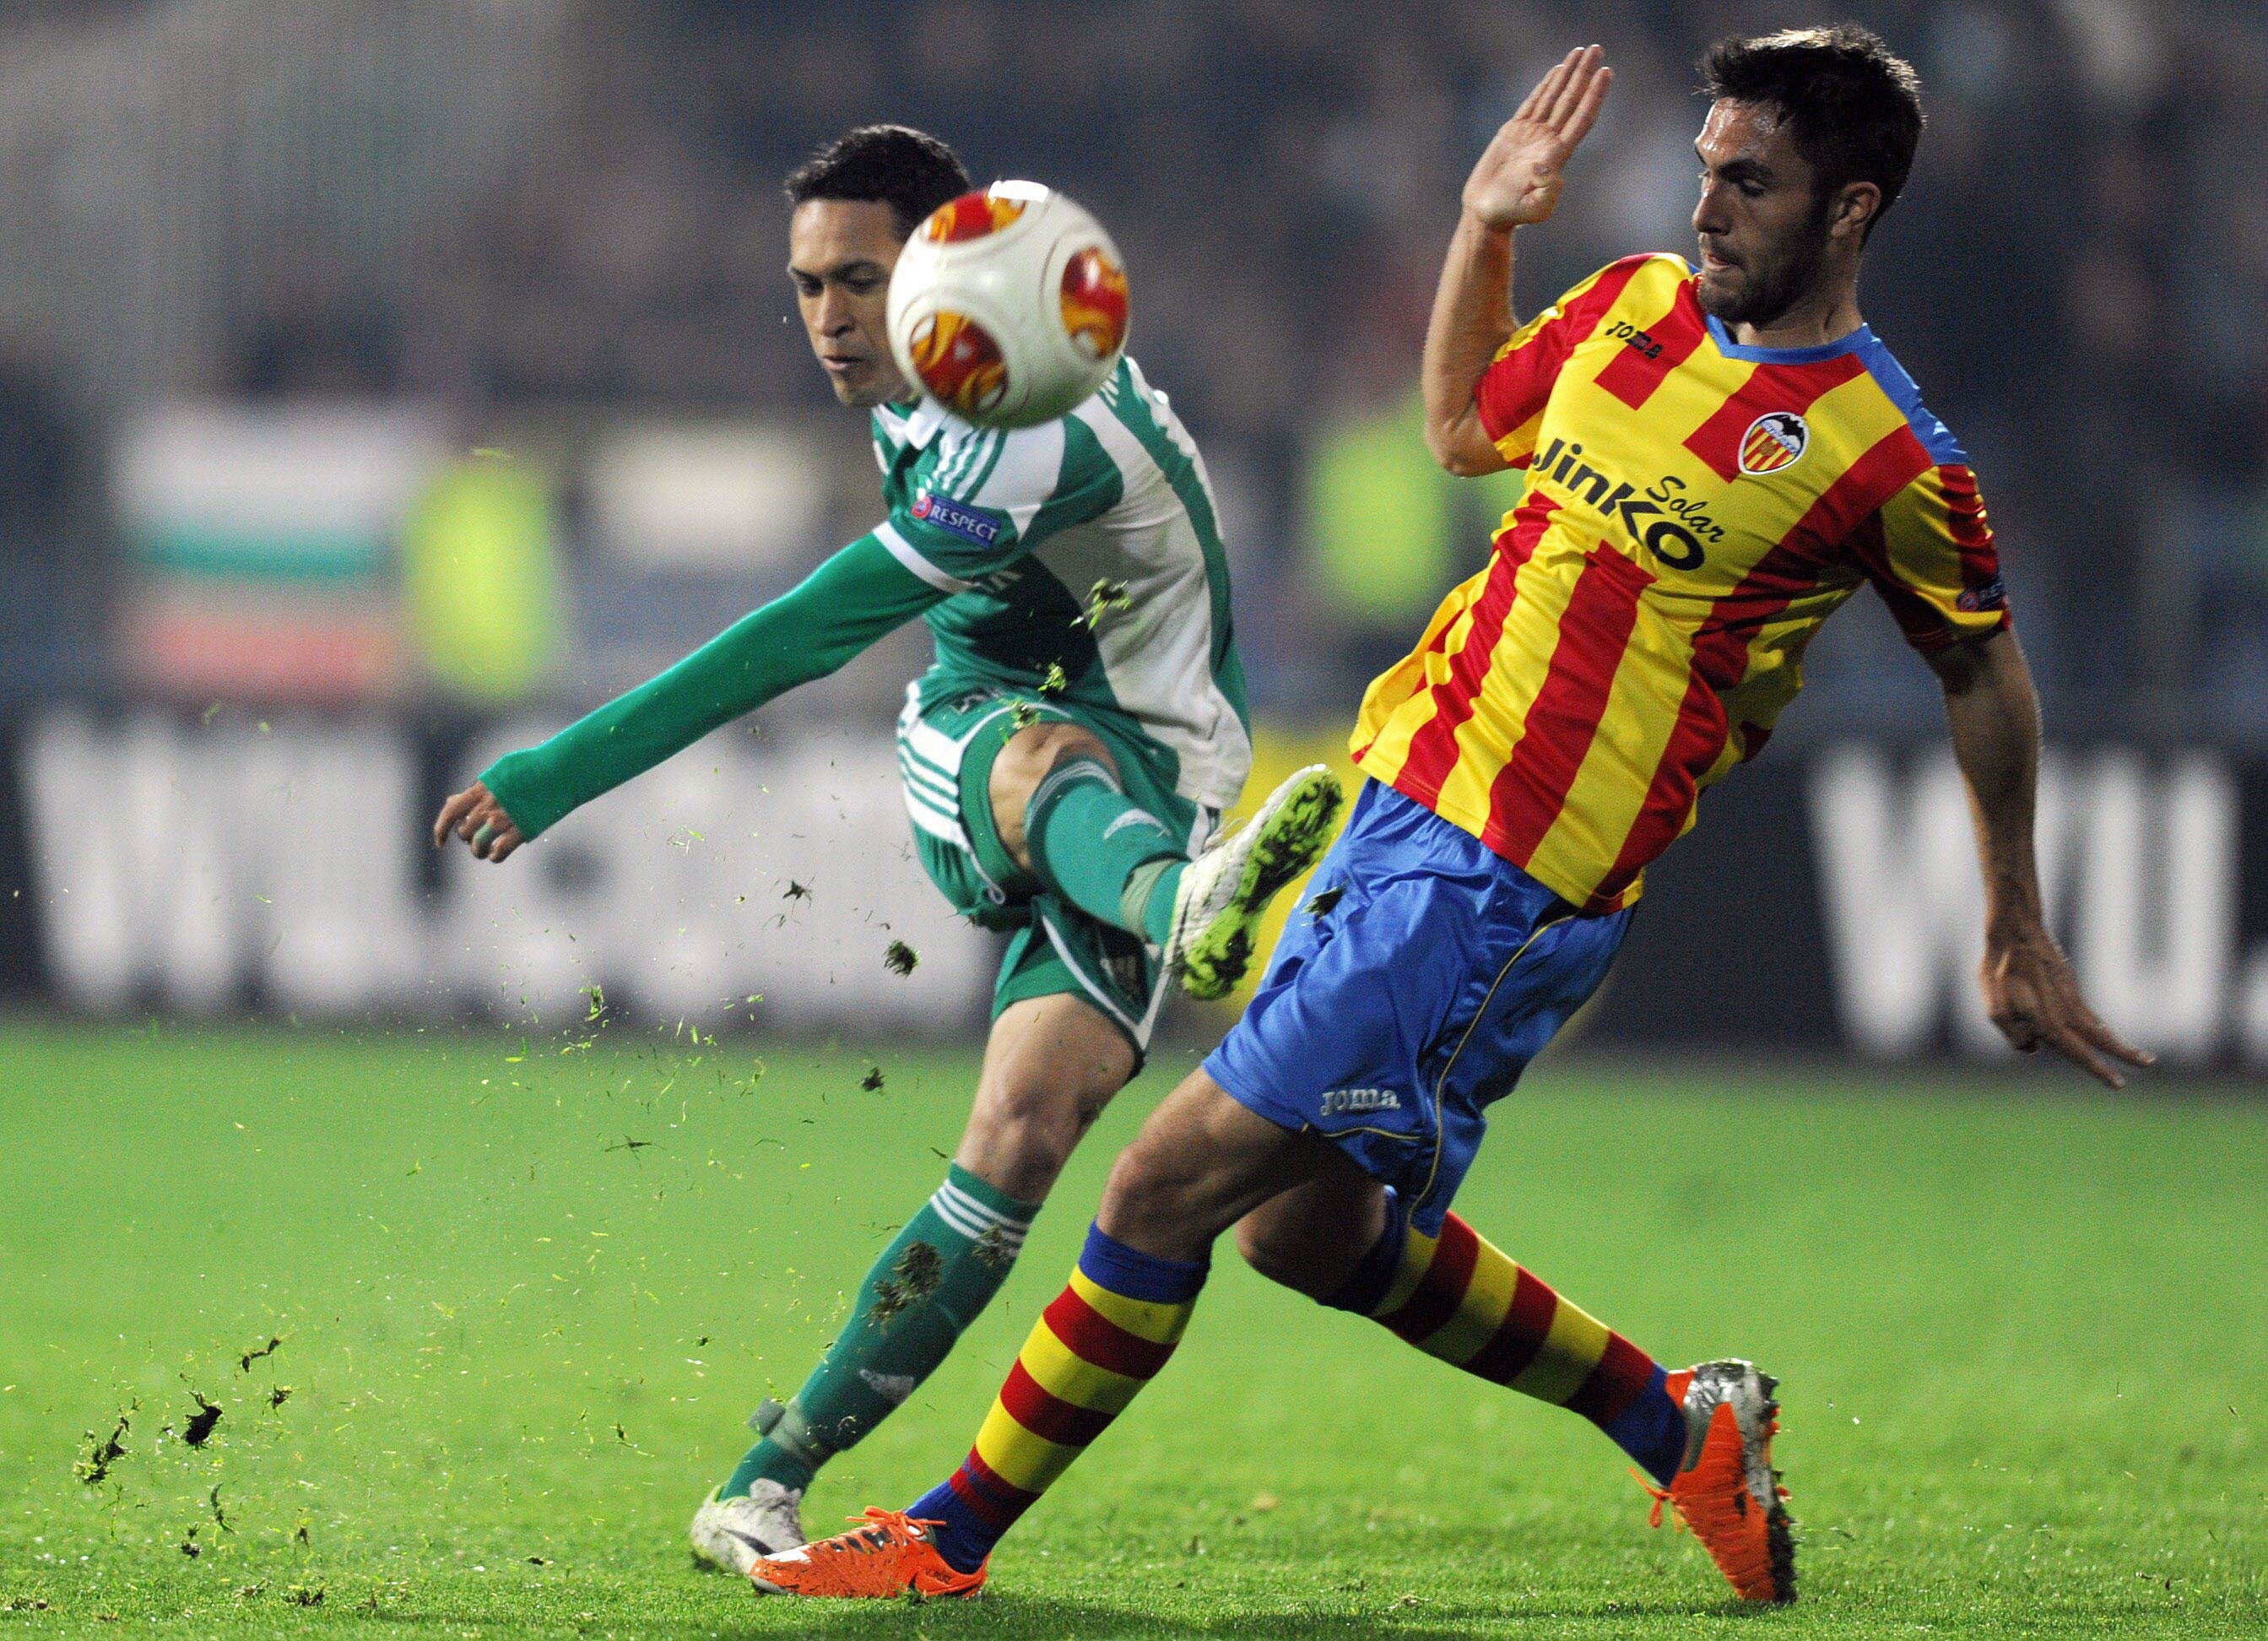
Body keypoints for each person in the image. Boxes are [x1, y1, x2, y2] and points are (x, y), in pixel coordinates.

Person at [747, 30, 2151, 1606]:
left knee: (1158, 1188)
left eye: (1750, 184)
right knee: (1307, 1239)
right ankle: (1678, 1425)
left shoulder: (1886, 452)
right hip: (1393, 811)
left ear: (1851, 210)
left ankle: (944, 1540)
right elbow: (1464, 425)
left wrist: (2015, 920)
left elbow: (1987, 675)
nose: (1709, 209)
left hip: (1509, 885)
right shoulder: (1631, 311)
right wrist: (1486, 227)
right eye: (1704, 172)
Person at [429, 124, 1341, 1567]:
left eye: (859, 280)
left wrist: (555, 769)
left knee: (1022, 1141)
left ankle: (762, 1479)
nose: (829, 318)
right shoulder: (970, 359)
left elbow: (799, 636)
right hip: (987, 737)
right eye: (807, 285)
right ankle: (1187, 906)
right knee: (1052, 760)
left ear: (946, 271)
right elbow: (835, 631)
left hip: (1167, 776)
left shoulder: (1034, 432)